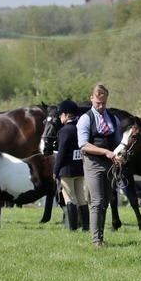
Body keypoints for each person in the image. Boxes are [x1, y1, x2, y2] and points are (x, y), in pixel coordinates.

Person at [77, 84, 121, 247]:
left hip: (110, 164)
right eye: (98, 103)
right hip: (93, 163)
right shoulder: (85, 119)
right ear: (91, 99)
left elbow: (117, 142)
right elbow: (83, 145)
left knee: (105, 201)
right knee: (97, 200)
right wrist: (105, 152)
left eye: (104, 103)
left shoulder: (113, 119)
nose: (101, 106)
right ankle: (96, 239)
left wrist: (118, 156)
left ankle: (100, 236)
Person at [53, 99, 88, 232]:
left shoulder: (64, 131)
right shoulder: (80, 129)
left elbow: (61, 154)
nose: (59, 117)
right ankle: (85, 226)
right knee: (81, 198)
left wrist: (55, 170)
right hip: (79, 169)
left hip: (66, 170)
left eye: (61, 114)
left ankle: (73, 227)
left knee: (70, 198)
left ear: (67, 115)